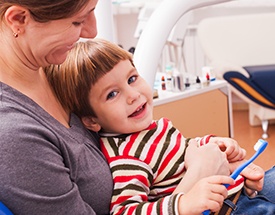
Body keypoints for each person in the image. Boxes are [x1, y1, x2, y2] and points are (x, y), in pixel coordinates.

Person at [45, 39, 275, 215]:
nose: (133, 95)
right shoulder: (127, 156)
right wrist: (183, 203)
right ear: (92, 120)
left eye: (132, 79)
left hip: (241, 194)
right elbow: (125, 211)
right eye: (112, 94)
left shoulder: (150, 130)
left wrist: (215, 145)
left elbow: (181, 155)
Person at [0, 1, 115, 214]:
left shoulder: (57, 70)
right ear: (18, 19)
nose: (92, 32)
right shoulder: (12, 133)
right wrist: (183, 200)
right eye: (77, 21)